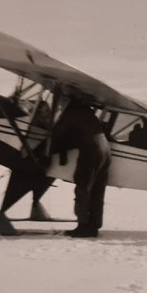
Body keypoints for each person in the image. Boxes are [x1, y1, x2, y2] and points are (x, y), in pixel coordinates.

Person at [51, 100, 112, 238]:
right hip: (106, 153)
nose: (60, 105)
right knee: (97, 191)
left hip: (92, 152)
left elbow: (61, 134)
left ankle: (83, 226)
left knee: (83, 188)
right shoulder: (87, 113)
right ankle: (94, 226)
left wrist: (48, 154)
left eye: (61, 103)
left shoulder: (71, 111)